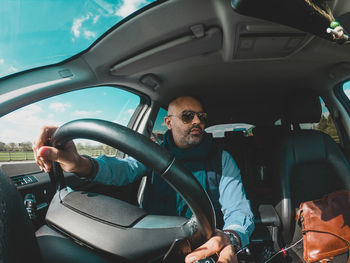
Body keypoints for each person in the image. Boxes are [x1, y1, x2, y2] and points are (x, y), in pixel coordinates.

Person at [33, 96, 254, 263]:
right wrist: (80, 164)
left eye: (201, 117)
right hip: (151, 242)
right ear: (168, 123)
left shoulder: (221, 159)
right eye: (188, 116)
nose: (197, 121)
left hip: (203, 244)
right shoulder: (153, 152)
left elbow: (238, 210)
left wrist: (231, 238)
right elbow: (124, 169)